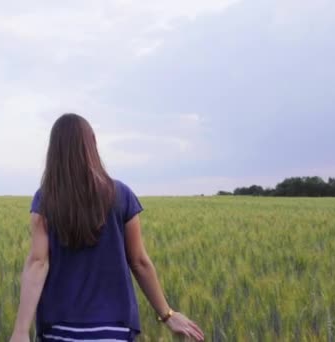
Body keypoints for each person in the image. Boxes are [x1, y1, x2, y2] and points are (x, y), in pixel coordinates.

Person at [10, 113, 204, 342]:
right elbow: (139, 261)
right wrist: (167, 314)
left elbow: (37, 262)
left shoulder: (45, 199)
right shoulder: (121, 195)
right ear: (92, 142)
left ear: (54, 150)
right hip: (113, 329)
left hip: (59, 330)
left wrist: (21, 331)